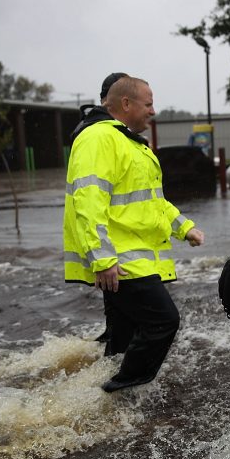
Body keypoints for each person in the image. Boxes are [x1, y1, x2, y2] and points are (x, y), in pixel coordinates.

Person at [63, 76, 205, 392]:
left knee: (123, 337)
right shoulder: (99, 138)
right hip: (120, 261)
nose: (153, 111)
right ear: (126, 104)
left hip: (127, 259)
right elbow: (88, 202)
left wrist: (184, 227)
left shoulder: (129, 142)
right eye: (149, 103)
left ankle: (112, 396)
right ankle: (117, 390)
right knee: (163, 321)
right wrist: (101, 259)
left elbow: (153, 203)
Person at [71, 72, 129, 357]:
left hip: (112, 245)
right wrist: (103, 257)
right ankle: (114, 369)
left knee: (118, 312)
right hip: (109, 246)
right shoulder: (98, 135)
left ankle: (112, 356)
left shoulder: (103, 131)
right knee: (122, 315)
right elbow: (91, 197)